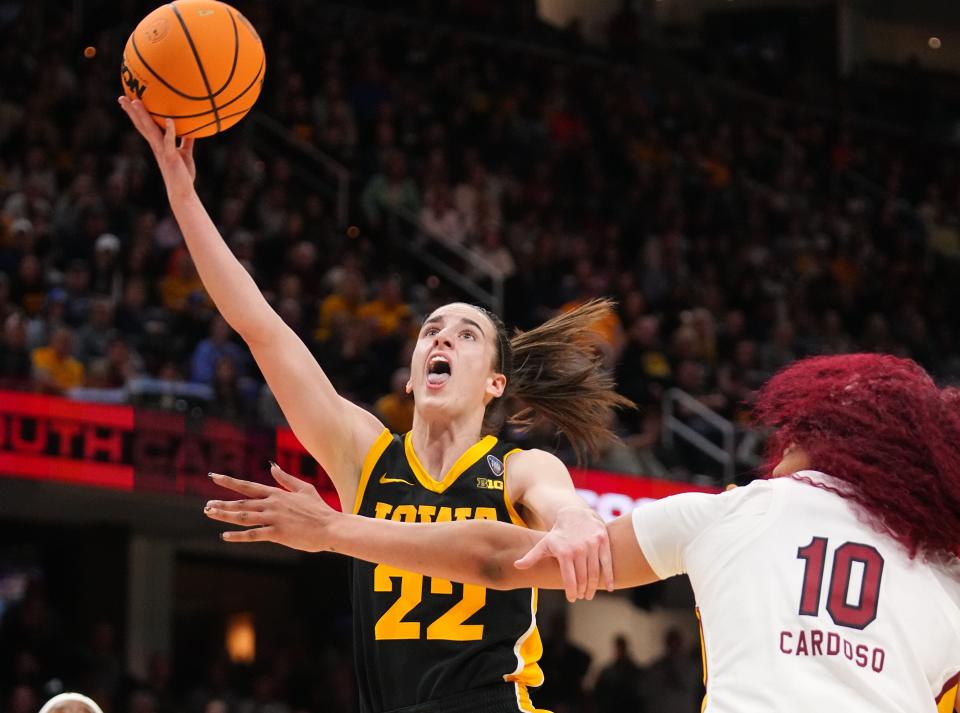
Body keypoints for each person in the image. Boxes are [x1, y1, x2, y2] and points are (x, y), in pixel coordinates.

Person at [119, 97, 628, 713]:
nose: (441, 337)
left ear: (496, 383)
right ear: (411, 377)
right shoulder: (365, 457)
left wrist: (573, 520)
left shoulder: (519, 468)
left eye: (467, 335)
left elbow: (563, 504)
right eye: (431, 330)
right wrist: (182, 193)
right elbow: (262, 329)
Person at [207, 354, 960, 712]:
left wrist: (337, 528)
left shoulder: (738, 511)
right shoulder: (942, 569)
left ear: (819, 432)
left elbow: (498, 555)